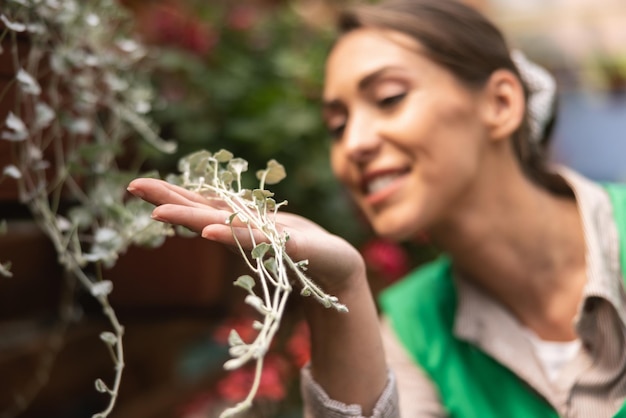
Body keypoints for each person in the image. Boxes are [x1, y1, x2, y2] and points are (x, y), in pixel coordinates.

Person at [127, 0, 626, 416]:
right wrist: (338, 290)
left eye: (388, 98)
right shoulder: (411, 329)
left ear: (500, 104)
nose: (354, 145)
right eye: (337, 126)